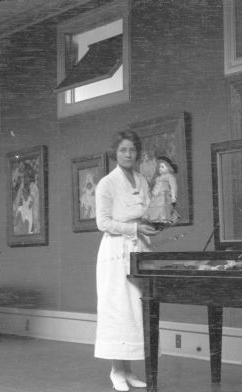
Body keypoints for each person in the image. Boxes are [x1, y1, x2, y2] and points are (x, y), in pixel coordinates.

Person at [94, 130, 159, 391]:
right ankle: (115, 370)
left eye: (132, 150)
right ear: (115, 153)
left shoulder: (142, 180)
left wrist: (154, 223)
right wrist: (134, 229)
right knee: (119, 309)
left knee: (137, 310)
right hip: (116, 251)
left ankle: (129, 369)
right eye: (123, 150)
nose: (129, 154)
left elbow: (148, 211)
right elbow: (103, 222)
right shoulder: (106, 184)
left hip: (140, 249)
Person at [142, 156, 179, 224]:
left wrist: (173, 196)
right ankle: (154, 218)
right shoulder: (158, 177)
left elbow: (173, 186)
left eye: (162, 167)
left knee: (163, 207)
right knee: (155, 207)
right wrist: (153, 193)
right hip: (157, 195)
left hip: (164, 195)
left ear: (169, 168)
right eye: (159, 167)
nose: (160, 169)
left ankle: (164, 218)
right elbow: (156, 186)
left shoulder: (170, 176)